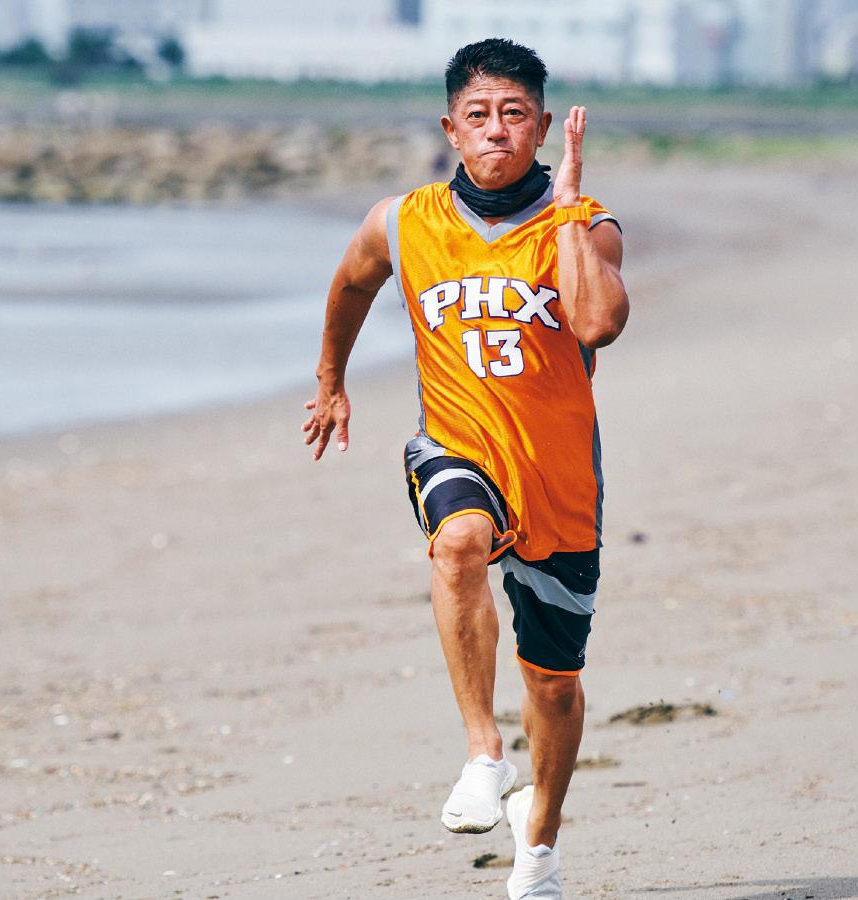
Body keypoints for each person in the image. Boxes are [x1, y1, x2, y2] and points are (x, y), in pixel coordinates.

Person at [301, 38, 628, 899]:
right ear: (450, 129)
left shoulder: (588, 224)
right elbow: (351, 284)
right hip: (456, 445)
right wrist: (331, 381)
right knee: (457, 544)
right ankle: (484, 753)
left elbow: (598, 324)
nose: (496, 131)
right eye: (478, 116)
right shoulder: (403, 222)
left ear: (543, 129)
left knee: (554, 687)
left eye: (514, 115)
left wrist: (566, 212)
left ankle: (540, 841)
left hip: (559, 479)